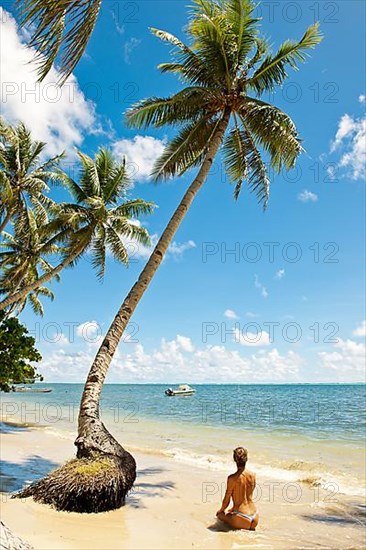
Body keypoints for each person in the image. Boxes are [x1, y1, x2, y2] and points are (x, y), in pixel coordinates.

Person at [216, 447, 258, 530]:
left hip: (241, 517)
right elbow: (248, 496)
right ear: (246, 459)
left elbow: (226, 501)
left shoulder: (232, 478)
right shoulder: (253, 475)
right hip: (255, 517)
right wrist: (233, 508)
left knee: (220, 516)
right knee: (230, 513)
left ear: (235, 460)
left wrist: (221, 511)